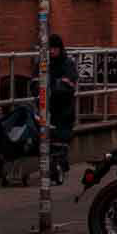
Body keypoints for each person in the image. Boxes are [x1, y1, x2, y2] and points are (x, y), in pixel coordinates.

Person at [47, 35, 79, 183]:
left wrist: (56, 84)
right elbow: (37, 82)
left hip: (64, 106)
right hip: (48, 105)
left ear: (60, 49)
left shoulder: (68, 63)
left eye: (54, 48)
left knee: (62, 135)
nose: (51, 51)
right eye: (49, 49)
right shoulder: (45, 63)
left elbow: (69, 83)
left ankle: (61, 164)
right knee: (53, 136)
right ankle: (58, 164)